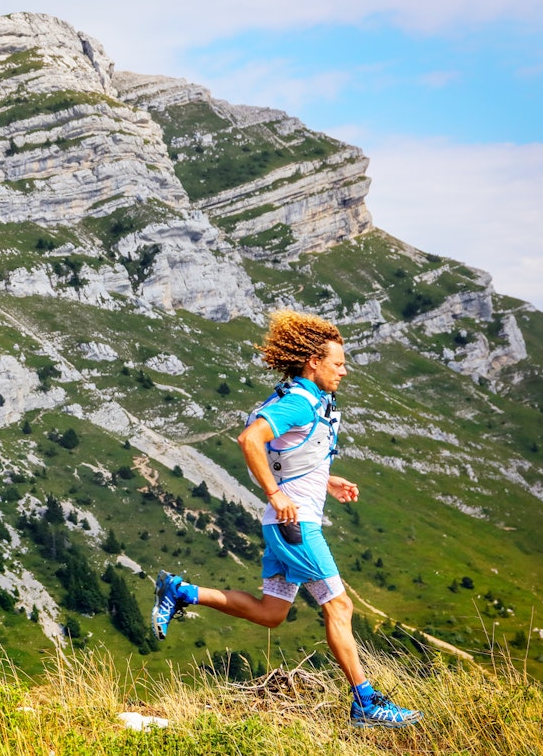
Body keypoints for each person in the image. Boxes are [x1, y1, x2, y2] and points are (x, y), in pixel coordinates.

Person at [151, 309, 422, 729]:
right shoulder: (298, 401)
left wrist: (326, 480)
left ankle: (180, 590)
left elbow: (286, 453)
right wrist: (277, 495)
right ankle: (366, 705)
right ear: (313, 361)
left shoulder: (302, 397)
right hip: (296, 528)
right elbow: (251, 440)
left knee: (272, 613)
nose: (344, 371)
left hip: (283, 525)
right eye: (338, 363)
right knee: (340, 606)